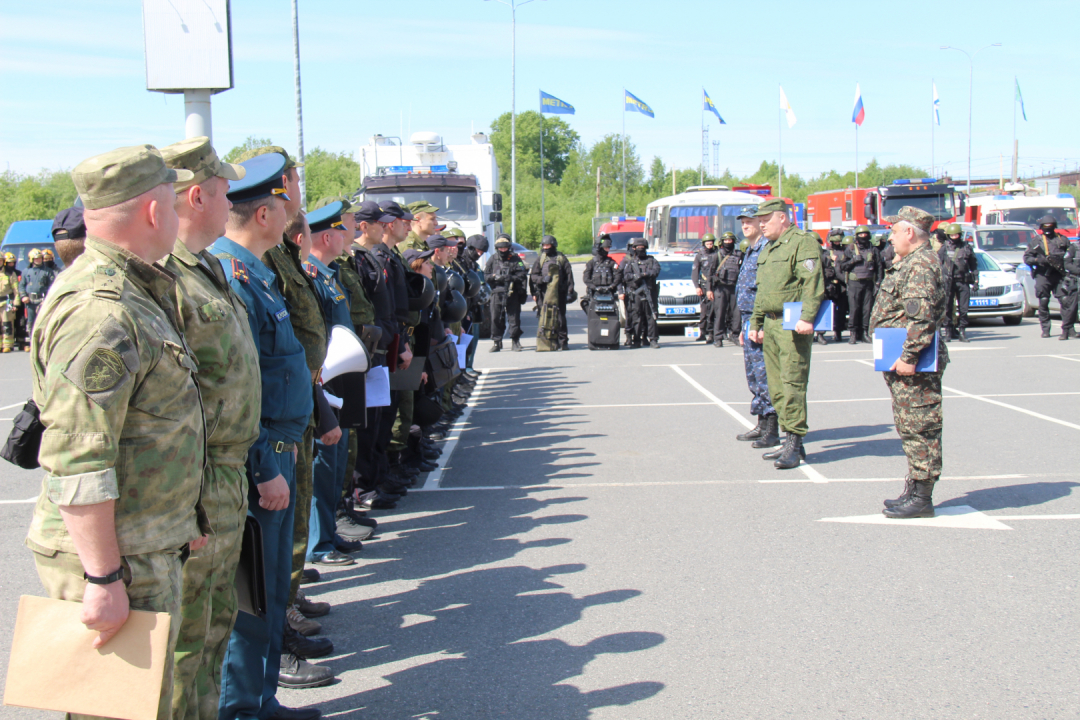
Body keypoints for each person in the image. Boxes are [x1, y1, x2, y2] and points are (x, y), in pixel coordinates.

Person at [27, 144, 204, 720]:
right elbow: (78, 458)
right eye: (172, 205)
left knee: (156, 705)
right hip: (117, 554)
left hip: (143, 541)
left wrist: (184, 523)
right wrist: (101, 576)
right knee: (120, 711)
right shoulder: (104, 310)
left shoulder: (134, 290)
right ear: (154, 212)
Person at [210, 152, 327, 720]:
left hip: (281, 449)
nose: (292, 216)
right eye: (285, 205)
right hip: (264, 462)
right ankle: (242, 710)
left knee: (271, 594)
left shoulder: (257, 271)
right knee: (250, 601)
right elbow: (236, 389)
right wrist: (263, 466)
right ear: (264, 214)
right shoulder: (231, 276)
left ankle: (262, 701)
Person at [159, 137, 262, 720]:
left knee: (212, 633)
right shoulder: (162, 277)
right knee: (181, 648)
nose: (231, 204)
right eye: (225, 191)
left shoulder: (203, 269)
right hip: (189, 490)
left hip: (223, 480)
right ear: (198, 195)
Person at [870, 207, 949, 519]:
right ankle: (915, 487)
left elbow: (922, 317)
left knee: (921, 424)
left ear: (910, 233)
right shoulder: (909, 262)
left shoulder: (921, 265)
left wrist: (908, 356)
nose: (890, 239)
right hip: (902, 359)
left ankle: (923, 495)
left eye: (894, 232)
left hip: (914, 362)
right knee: (908, 424)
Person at [302, 201, 359, 570]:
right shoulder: (311, 275)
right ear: (327, 235)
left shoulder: (328, 274)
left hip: (339, 380)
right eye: (343, 230)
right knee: (322, 466)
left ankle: (328, 532)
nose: (347, 236)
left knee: (336, 463)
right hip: (324, 382)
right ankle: (319, 543)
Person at [748, 199, 825, 469]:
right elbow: (762, 290)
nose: (761, 225)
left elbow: (812, 283)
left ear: (782, 217)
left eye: (766, 220)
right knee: (777, 388)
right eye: (760, 220)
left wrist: (807, 317)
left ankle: (794, 441)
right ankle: (790, 441)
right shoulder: (768, 249)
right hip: (770, 324)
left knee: (792, 384)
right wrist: (756, 323)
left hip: (791, 324)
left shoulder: (802, 242)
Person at [734, 207, 779, 447]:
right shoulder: (751, 249)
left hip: (759, 319)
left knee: (765, 375)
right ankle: (762, 423)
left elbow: (765, 289)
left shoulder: (765, 249)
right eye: (743, 222)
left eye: (750, 221)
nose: (745, 225)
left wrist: (758, 323)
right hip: (748, 319)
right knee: (753, 375)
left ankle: (771, 429)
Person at [1023, 215, 1071, 338]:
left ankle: (1067, 328)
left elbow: (1071, 256)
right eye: (1045, 226)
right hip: (1043, 275)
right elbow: (1027, 258)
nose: (1048, 229)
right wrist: (1039, 260)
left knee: (1065, 301)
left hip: (1059, 275)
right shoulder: (1036, 241)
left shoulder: (1062, 240)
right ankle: (1045, 329)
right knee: (1043, 301)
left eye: (1050, 226)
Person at [531, 234, 574, 351]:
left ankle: (563, 341)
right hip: (544, 293)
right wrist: (541, 280)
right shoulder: (540, 259)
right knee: (545, 317)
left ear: (553, 245)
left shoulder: (561, 258)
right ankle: (548, 341)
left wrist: (570, 291)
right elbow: (533, 276)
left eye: (548, 245)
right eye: (544, 245)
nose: (546, 247)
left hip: (559, 292)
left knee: (560, 318)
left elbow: (569, 276)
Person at [839, 225, 881, 344]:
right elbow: (843, 266)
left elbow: (879, 268)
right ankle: (852, 333)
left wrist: (878, 283)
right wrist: (853, 261)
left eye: (865, 234)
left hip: (868, 283)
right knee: (854, 309)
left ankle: (865, 333)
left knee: (867, 309)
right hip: (854, 283)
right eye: (861, 235)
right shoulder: (851, 249)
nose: (863, 237)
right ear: (856, 237)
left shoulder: (873, 250)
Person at [485, 234, 527, 352]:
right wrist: (495, 277)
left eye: (505, 248)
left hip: (512, 292)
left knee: (514, 318)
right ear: (497, 248)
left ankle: (515, 341)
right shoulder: (493, 259)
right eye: (500, 248)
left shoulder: (515, 258)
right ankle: (497, 342)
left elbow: (522, 274)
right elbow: (486, 275)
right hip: (497, 292)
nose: (503, 250)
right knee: (495, 318)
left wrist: (511, 277)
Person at [938, 223, 978, 343]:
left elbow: (974, 265)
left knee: (964, 308)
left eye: (956, 234)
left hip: (963, 281)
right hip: (948, 281)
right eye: (952, 235)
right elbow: (938, 264)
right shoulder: (944, 248)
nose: (954, 237)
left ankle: (962, 331)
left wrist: (976, 280)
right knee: (947, 307)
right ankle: (948, 332)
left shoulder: (966, 247)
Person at [619, 237, 660, 349]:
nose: (640, 250)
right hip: (636, 294)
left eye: (642, 248)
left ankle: (653, 339)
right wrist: (635, 277)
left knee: (651, 316)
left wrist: (646, 274)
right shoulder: (630, 262)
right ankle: (636, 340)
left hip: (649, 293)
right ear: (634, 248)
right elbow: (625, 276)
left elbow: (656, 271)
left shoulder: (652, 260)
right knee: (636, 317)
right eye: (638, 248)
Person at [19, 248, 57, 345]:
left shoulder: (48, 271)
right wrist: (23, 296)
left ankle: (43, 343)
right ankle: (33, 342)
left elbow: (52, 286)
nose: (38, 260)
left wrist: (46, 300)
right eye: (36, 259)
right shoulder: (26, 272)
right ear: (31, 259)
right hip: (30, 301)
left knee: (43, 321)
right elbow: (21, 285)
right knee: (31, 322)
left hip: (42, 301)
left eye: (40, 258)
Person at [709, 231, 742, 347]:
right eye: (726, 240)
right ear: (722, 242)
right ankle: (718, 338)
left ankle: (735, 335)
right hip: (721, 288)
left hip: (734, 287)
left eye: (730, 240)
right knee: (720, 313)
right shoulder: (716, 255)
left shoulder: (739, 255)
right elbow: (710, 274)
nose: (728, 242)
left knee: (737, 314)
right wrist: (709, 290)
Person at [691, 233, 719, 343]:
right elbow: (695, 273)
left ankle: (712, 334)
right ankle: (702, 333)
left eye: (711, 243)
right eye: (707, 243)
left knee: (714, 311)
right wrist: (697, 286)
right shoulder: (699, 255)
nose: (709, 245)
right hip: (703, 286)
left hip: (715, 285)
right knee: (704, 311)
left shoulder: (718, 254)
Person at [822, 229, 848, 342]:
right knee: (825, 309)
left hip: (842, 284)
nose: (837, 243)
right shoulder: (826, 253)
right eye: (835, 241)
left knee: (841, 311)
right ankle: (821, 333)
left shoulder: (845, 252)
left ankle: (838, 332)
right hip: (829, 283)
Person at [1058, 241, 1080, 340]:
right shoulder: (1074, 247)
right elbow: (1067, 264)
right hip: (1076, 280)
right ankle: (1066, 330)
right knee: (1072, 307)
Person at [0, 251, 20, 353]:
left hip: (6, 302)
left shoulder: (10, 273)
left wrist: (16, 303)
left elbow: (16, 290)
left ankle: (7, 345)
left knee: (7, 324)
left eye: (0, 260)